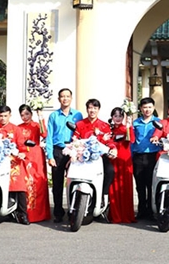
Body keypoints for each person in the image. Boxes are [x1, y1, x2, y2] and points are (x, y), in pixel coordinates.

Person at [71, 99, 117, 212]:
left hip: (99, 156)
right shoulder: (80, 124)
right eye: (90, 108)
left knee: (110, 170)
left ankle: (103, 195)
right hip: (82, 156)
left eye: (95, 108)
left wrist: (113, 149)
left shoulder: (104, 125)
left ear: (98, 110)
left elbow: (109, 141)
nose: (92, 110)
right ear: (87, 109)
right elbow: (75, 138)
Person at [0, 105, 30, 224]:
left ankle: (22, 214)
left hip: (13, 162)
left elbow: (21, 145)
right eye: (1, 116)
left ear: (10, 115)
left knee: (19, 185)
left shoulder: (16, 129)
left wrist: (22, 153)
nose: (3, 118)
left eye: (5, 116)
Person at [46, 88, 82, 223]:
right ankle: (58, 212)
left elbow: (81, 133)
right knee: (57, 183)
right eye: (62, 96)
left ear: (71, 98)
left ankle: (74, 211)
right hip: (58, 151)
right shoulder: (54, 116)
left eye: (67, 96)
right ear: (59, 99)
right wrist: (50, 156)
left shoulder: (78, 115)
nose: (65, 99)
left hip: (73, 150)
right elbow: (49, 137)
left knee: (74, 181)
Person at [18, 104, 50, 223]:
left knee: (38, 183)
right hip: (23, 156)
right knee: (26, 183)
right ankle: (26, 213)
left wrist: (40, 116)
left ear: (31, 114)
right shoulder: (18, 128)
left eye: (27, 114)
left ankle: (40, 214)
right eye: (22, 115)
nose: (25, 117)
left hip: (36, 156)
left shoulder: (36, 125)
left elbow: (44, 134)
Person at [132, 97, 160, 220]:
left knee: (151, 184)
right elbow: (132, 140)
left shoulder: (158, 122)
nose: (147, 110)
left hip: (152, 156)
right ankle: (141, 210)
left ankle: (151, 210)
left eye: (149, 107)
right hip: (138, 156)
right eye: (144, 107)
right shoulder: (135, 123)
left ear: (153, 108)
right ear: (140, 109)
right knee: (140, 185)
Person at [108, 106, 135, 223]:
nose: (118, 118)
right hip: (113, 159)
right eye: (115, 116)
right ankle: (115, 215)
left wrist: (129, 126)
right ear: (112, 117)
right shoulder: (109, 129)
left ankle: (126, 215)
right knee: (113, 187)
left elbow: (132, 140)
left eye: (120, 116)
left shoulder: (126, 128)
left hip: (125, 160)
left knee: (125, 187)